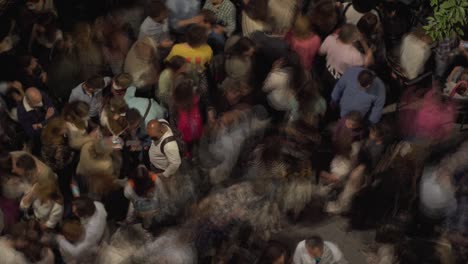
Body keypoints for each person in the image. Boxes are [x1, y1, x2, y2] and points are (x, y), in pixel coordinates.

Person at [56, 197, 108, 263]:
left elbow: (76, 252)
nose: (72, 211)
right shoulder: (97, 204)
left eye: (75, 212)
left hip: (93, 245)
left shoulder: (91, 233)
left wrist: (61, 241)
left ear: (84, 213)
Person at [17, 87, 56, 154]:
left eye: (40, 100)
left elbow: (55, 113)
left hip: (51, 126)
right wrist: (47, 121)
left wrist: (41, 124)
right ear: (29, 102)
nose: (41, 103)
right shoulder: (22, 113)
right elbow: (32, 134)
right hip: (43, 137)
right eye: (37, 103)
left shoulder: (40, 95)